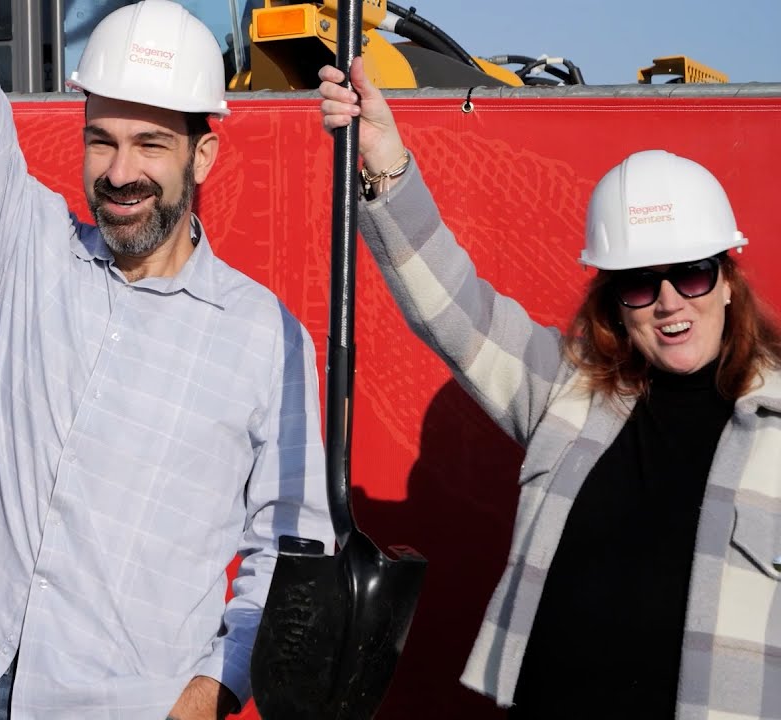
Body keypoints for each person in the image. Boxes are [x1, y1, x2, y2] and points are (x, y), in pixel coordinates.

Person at [0, 0, 331, 718]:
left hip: (134, 703)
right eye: (102, 141)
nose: (121, 172)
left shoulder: (265, 336)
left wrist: (217, 685)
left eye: (151, 144)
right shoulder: (27, 249)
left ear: (204, 154)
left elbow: (293, 544)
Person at [318, 58, 781, 718]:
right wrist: (386, 164)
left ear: (728, 280)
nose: (671, 303)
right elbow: (455, 310)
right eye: (641, 283)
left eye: (694, 274)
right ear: (615, 300)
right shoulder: (568, 390)